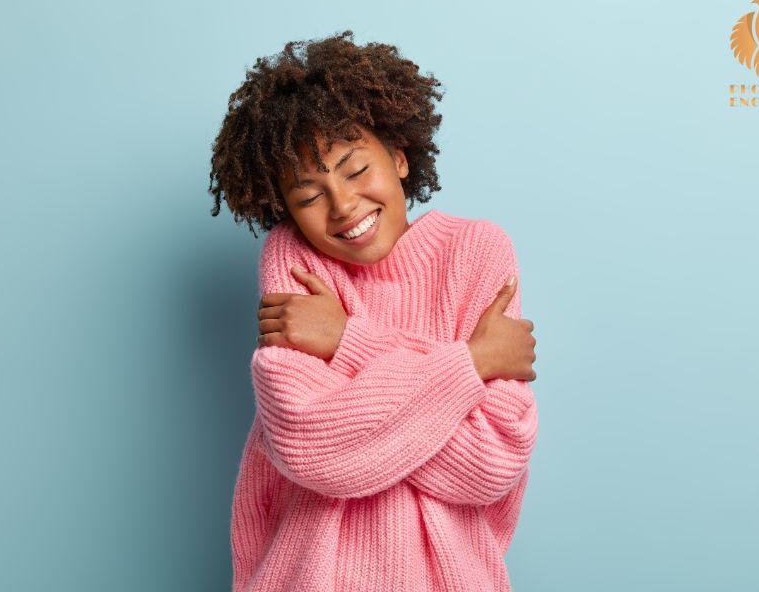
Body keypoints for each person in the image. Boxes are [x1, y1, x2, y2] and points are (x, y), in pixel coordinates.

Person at [208, 29, 539, 592]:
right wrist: (471, 364)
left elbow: (492, 459)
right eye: (309, 196)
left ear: (401, 157)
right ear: (284, 209)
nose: (343, 206)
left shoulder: (478, 251)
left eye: (356, 170)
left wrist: (347, 341)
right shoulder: (293, 259)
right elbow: (310, 446)